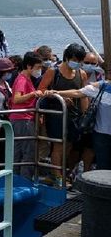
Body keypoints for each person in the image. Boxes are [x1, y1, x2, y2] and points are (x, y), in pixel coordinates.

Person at [38, 43, 89, 180]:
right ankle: (57, 176)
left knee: (70, 145)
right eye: (74, 60)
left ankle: (63, 172)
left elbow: (83, 95)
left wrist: (86, 114)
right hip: (56, 114)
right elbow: (41, 90)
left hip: (74, 115)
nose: (77, 63)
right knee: (58, 145)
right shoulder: (53, 71)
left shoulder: (81, 74)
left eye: (79, 61)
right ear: (66, 57)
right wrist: (59, 97)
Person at [54, 79, 111, 170]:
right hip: (101, 135)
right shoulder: (102, 87)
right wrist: (56, 92)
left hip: (102, 136)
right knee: (103, 167)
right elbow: (78, 92)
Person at [9, 51, 45, 179]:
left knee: (18, 151)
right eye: (38, 68)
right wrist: (33, 94)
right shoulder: (22, 80)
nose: (39, 70)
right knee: (28, 152)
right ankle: (24, 180)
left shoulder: (25, 79)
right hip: (23, 119)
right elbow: (16, 99)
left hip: (20, 119)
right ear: (29, 66)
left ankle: (16, 179)